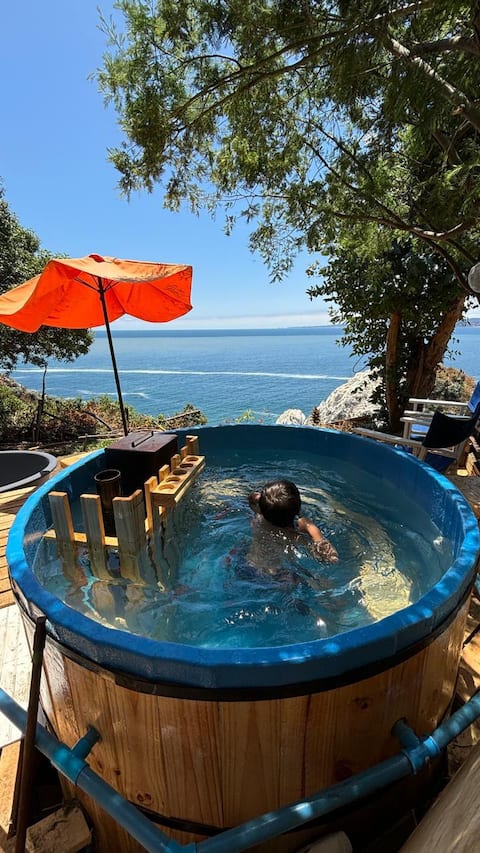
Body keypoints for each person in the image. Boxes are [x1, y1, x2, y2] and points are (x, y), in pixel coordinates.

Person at [247, 479, 338, 570]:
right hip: (275, 573)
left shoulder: (259, 515)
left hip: (248, 562)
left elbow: (252, 499)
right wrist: (309, 526)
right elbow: (324, 554)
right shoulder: (293, 536)